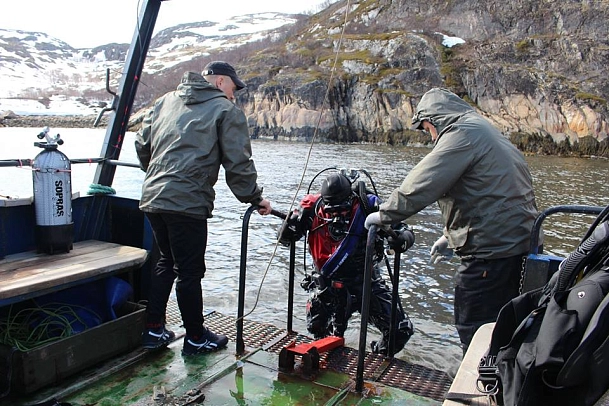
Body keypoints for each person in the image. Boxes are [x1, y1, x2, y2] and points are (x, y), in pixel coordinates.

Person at [365, 87, 539, 353]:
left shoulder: (461, 134)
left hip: (493, 253)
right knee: (508, 324)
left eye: (425, 129)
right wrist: (450, 237)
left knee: (474, 324)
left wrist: (385, 215)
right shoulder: (483, 129)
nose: (429, 136)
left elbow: (424, 181)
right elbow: (490, 192)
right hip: (520, 245)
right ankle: (507, 376)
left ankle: (483, 385)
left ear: (433, 120)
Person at [135, 61, 272, 356]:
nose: (234, 96)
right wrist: (255, 198)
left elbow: (142, 144)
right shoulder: (225, 110)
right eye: (234, 89)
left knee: (165, 262)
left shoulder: (164, 101)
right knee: (189, 271)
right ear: (221, 82)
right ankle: (196, 337)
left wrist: (159, 177)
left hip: (153, 197)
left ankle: (153, 329)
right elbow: (238, 163)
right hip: (186, 202)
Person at [278, 171, 415, 355]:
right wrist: (288, 228)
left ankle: (377, 358)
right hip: (327, 283)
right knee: (316, 327)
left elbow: (402, 227)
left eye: (341, 209)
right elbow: (285, 239)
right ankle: (332, 358)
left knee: (399, 330)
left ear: (350, 198)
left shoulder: (368, 205)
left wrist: (402, 238)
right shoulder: (312, 207)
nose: (336, 216)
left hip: (365, 281)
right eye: (331, 211)